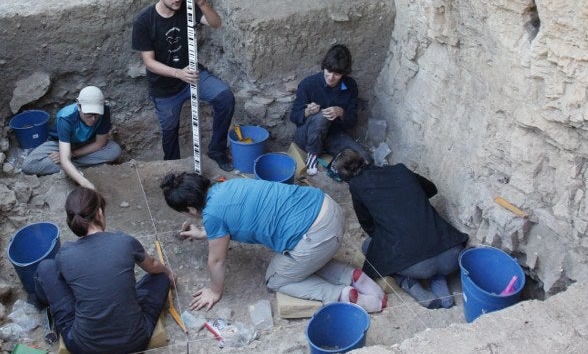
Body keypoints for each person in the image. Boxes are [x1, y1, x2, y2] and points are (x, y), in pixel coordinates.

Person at [161, 172, 386, 312]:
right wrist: (205, 232)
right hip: (327, 209)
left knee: (276, 279)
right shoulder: (225, 185)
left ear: (190, 209)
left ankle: (342, 295)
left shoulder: (213, 215)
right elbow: (228, 220)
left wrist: (214, 291)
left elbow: (217, 261)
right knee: (300, 260)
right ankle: (354, 277)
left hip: (318, 235)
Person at [34, 188, 174, 354]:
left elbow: (63, 285)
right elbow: (153, 266)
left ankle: (40, 302)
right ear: (99, 213)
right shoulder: (124, 241)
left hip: (84, 348)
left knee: (46, 267)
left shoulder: (65, 254)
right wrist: (169, 276)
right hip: (134, 342)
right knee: (161, 277)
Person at [330, 148, 469, 309]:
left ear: (346, 178)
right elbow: (431, 189)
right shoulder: (399, 170)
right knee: (428, 247)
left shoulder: (356, 186)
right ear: (363, 160)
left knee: (369, 246)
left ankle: (411, 285)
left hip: (418, 267)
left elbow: (368, 225)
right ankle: (439, 283)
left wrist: (387, 229)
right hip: (452, 252)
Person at [132, 0, 235, 171]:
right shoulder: (144, 21)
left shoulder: (188, 7)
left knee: (225, 98)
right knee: (170, 131)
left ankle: (217, 149)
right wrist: (179, 73)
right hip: (165, 88)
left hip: (194, 75)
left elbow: (216, 23)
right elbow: (149, 62)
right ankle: (174, 167)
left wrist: (202, 4)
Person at [20, 86, 121, 189]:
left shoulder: (104, 110)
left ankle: (71, 166)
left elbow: (100, 143)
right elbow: (64, 158)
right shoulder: (65, 117)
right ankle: (72, 167)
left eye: (96, 114)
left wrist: (71, 155)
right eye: (89, 115)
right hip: (59, 144)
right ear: (79, 106)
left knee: (114, 150)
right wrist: (86, 184)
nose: (93, 119)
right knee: (29, 165)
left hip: (86, 142)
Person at [290, 44, 370, 176]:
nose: (331, 77)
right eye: (329, 71)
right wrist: (308, 111)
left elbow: (352, 121)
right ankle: (313, 156)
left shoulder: (350, 86)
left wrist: (341, 112)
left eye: (337, 74)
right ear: (324, 67)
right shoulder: (308, 84)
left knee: (365, 158)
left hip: (333, 136)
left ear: (344, 73)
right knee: (323, 116)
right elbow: (294, 116)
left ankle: (331, 159)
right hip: (307, 136)